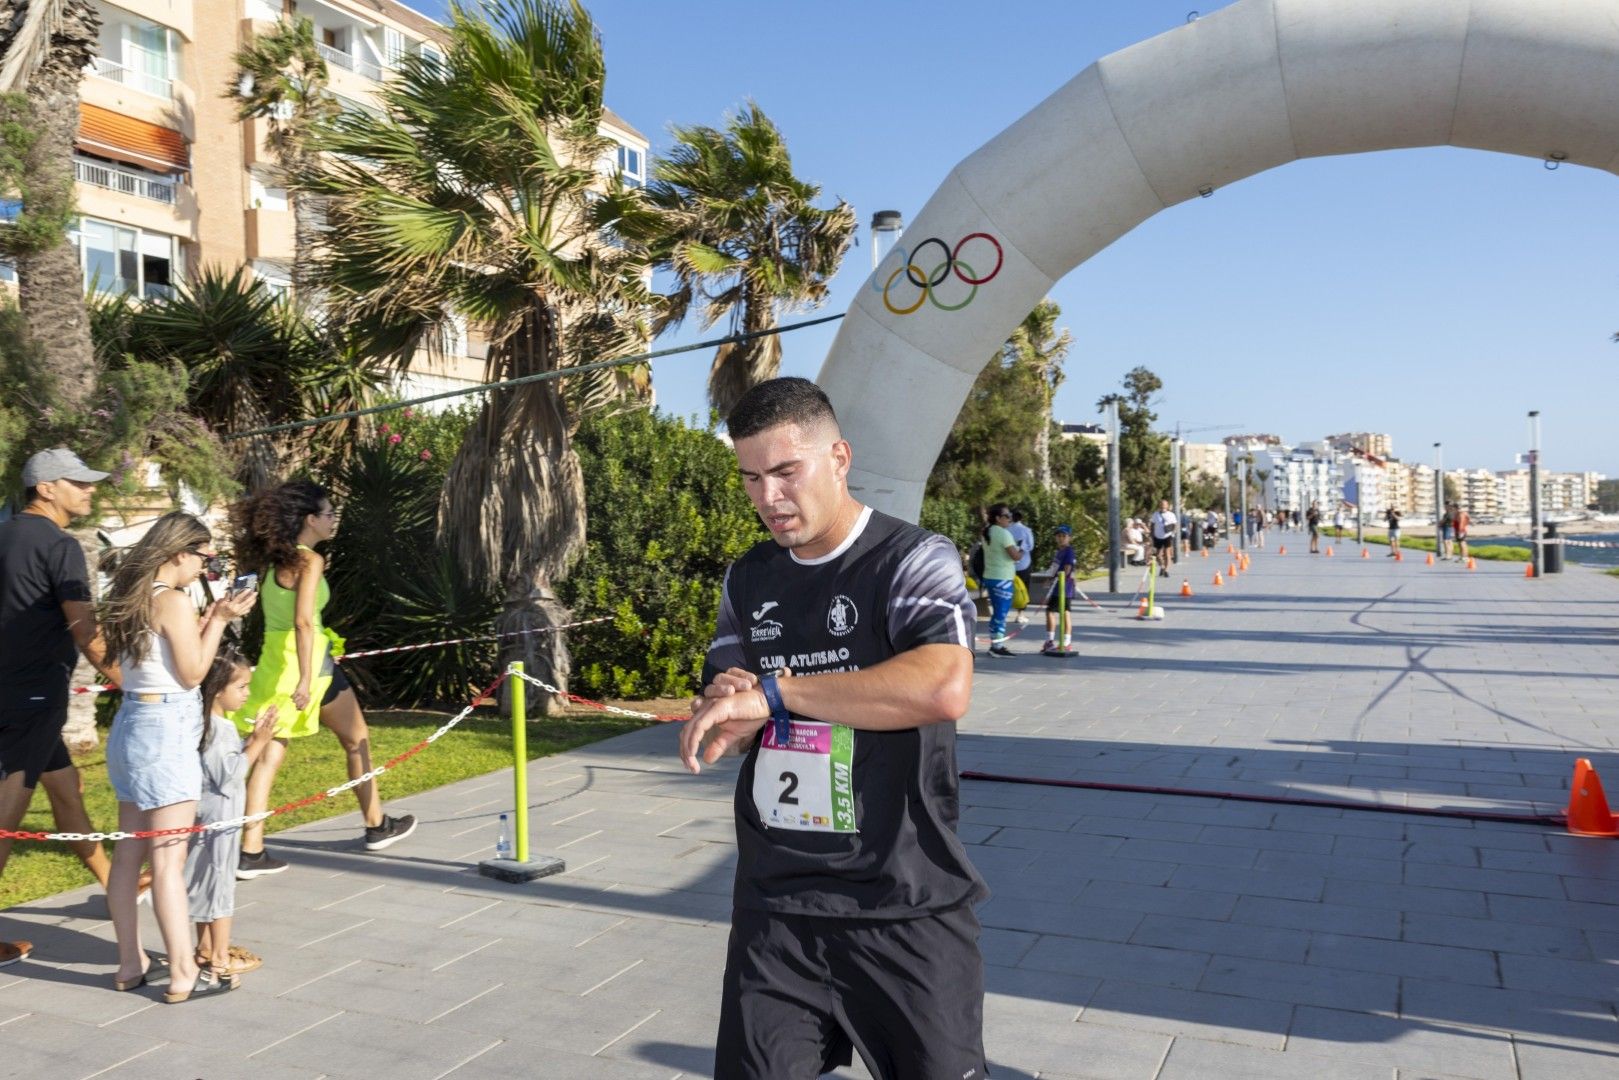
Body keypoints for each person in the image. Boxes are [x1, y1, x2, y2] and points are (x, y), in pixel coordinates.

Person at [679, 377, 987, 1080]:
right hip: (777, 900)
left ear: (839, 458)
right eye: (751, 478)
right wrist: (724, 711)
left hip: (901, 898)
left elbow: (942, 687)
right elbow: (734, 697)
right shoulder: (748, 579)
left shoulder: (911, 557)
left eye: (786, 471)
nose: (767, 497)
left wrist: (775, 694)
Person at [102, 511, 256, 1001]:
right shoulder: (171, 599)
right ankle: (185, 971)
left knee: (128, 855)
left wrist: (209, 620)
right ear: (177, 552)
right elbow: (192, 673)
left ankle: (130, 963)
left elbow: (160, 659)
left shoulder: (132, 594)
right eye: (203, 557)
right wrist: (223, 622)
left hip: (131, 725)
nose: (205, 568)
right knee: (169, 859)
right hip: (165, 731)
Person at [228, 481, 415, 878]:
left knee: (268, 754)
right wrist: (306, 679)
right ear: (310, 520)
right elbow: (302, 621)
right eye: (329, 513)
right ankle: (376, 826)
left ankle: (251, 849)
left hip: (277, 662)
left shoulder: (276, 561)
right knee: (356, 740)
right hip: (308, 665)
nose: (334, 520)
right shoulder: (309, 561)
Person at [0, 449, 133, 968]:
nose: (89, 490)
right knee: (10, 806)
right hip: (33, 694)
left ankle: (113, 880)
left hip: (12, 690)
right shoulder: (60, 545)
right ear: (46, 488)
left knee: (65, 788)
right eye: (78, 482)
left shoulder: (5, 532)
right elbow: (86, 630)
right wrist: (131, 681)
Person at [187, 648, 277, 980]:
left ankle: (205, 949)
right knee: (221, 886)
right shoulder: (218, 728)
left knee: (205, 883)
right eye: (241, 687)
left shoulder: (203, 722)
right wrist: (258, 742)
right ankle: (221, 960)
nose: (247, 694)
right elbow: (230, 775)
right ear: (218, 689)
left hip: (206, 817)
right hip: (220, 821)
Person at [978, 503, 1022, 657]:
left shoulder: (987, 532)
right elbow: (1015, 556)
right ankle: (997, 646)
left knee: (997, 612)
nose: (1009, 519)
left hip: (990, 576)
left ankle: (995, 644)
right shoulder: (1004, 534)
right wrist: (1022, 550)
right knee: (1001, 614)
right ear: (998, 518)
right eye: (1006, 516)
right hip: (1002, 579)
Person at [1042, 524, 1080, 654]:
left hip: (1063, 587)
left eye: (1064, 536)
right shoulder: (1059, 551)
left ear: (1069, 537)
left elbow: (1067, 568)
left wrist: (1057, 579)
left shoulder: (1069, 551)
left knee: (1058, 612)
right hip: (1057, 587)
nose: (1061, 538)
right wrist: (1050, 578)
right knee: (1056, 612)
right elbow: (1055, 567)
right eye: (1059, 536)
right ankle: (1054, 641)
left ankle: (1061, 641)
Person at [1007, 509, 1035, 627]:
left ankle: (1005, 612)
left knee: (1008, 588)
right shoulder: (1026, 530)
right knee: (1023, 589)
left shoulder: (1005, 530)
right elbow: (1031, 546)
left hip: (1008, 564)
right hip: (1024, 563)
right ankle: (1020, 614)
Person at [1149, 500, 1177, 577]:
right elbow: (1152, 525)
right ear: (1159, 505)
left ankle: (1166, 570)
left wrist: (1173, 534)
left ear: (1167, 506)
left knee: (1167, 554)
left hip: (1167, 536)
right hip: (1157, 536)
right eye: (1161, 504)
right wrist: (1151, 535)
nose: (1163, 506)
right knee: (1158, 555)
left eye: (1164, 505)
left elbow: (1175, 525)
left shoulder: (1171, 514)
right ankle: (1162, 566)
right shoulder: (1155, 514)